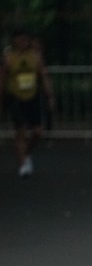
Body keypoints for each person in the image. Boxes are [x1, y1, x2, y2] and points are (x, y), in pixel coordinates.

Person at [0, 28, 55, 177]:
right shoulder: (9, 58)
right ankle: (23, 163)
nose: (22, 42)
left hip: (32, 97)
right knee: (21, 131)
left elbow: (43, 75)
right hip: (16, 98)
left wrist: (49, 95)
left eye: (24, 39)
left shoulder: (35, 56)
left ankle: (26, 152)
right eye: (19, 40)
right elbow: (2, 78)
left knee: (37, 132)